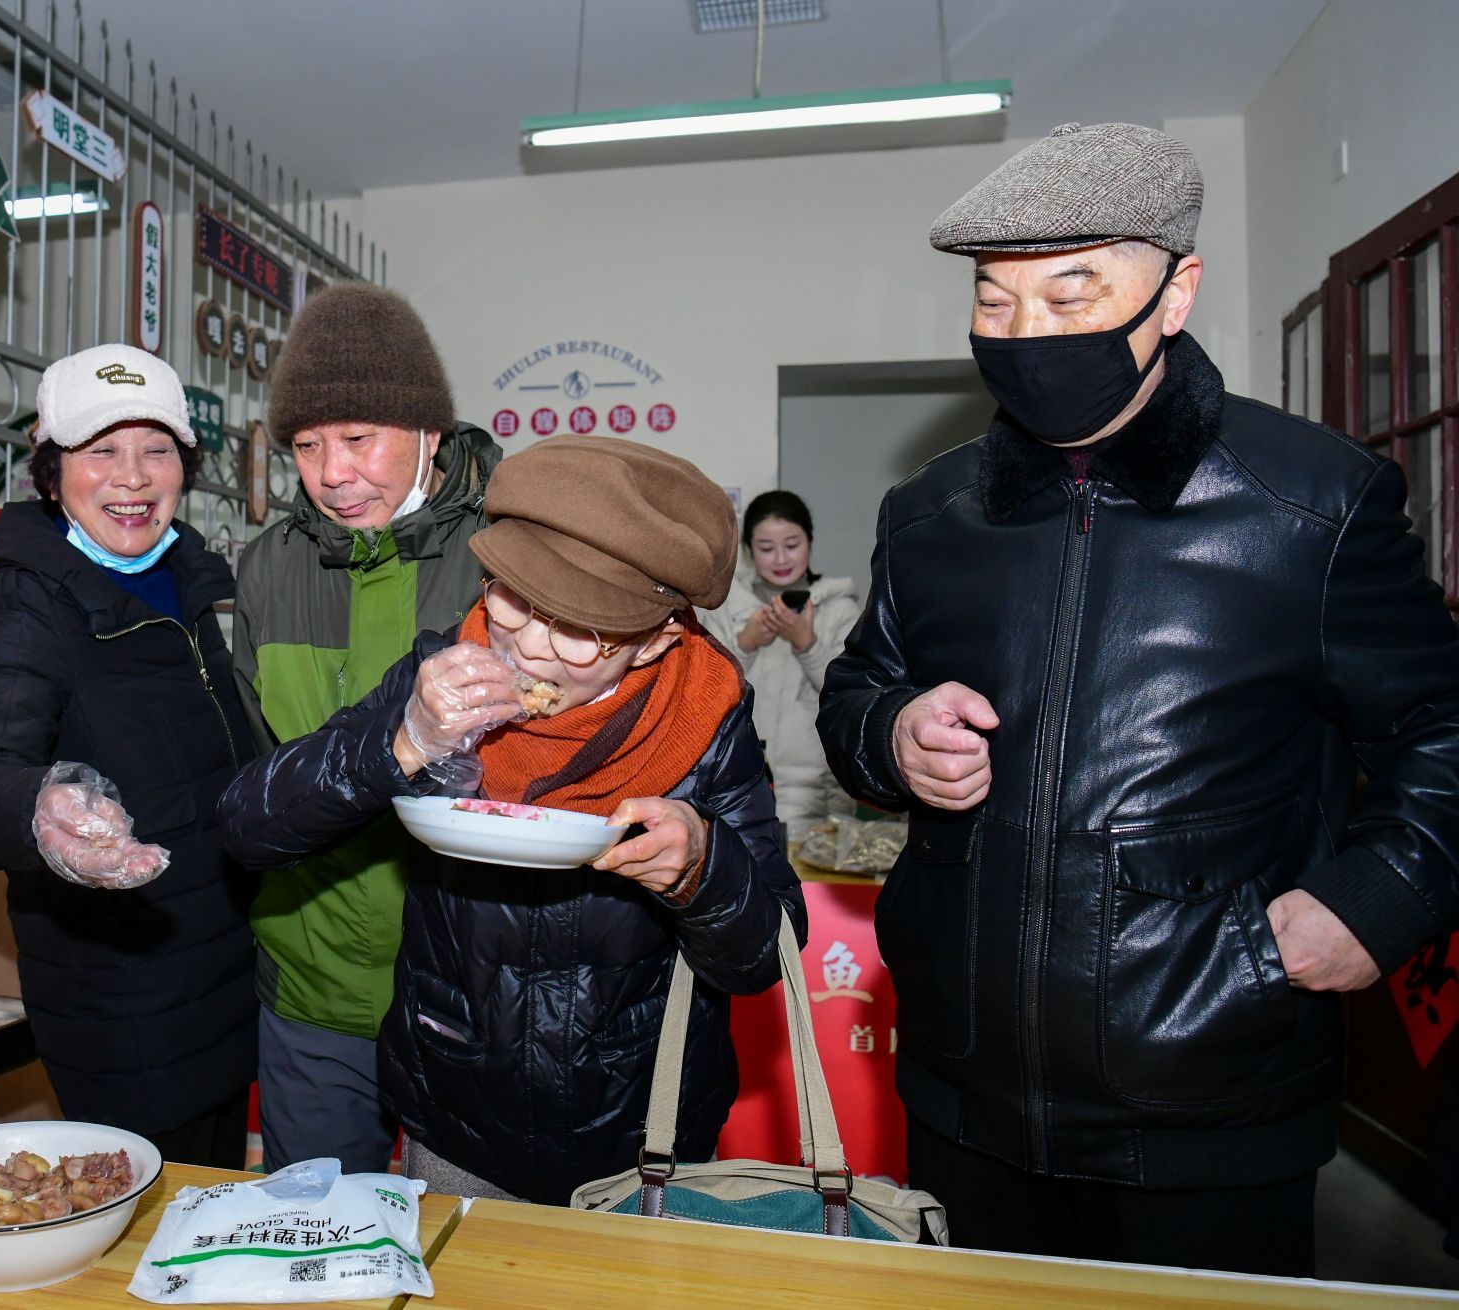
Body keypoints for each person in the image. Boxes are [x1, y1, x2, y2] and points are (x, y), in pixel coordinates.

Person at [819, 121, 1459, 1276]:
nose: (1027, 335)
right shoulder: (930, 514)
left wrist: (1375, 901)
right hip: (964, 1089)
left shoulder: (1312, 504)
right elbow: (861, 687)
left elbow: (1441, 725)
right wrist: (892, 731)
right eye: (995, 302)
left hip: (1213, 1090)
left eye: (1070, 294)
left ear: (1177, 292)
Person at [219, 435, 807, 1204]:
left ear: (656, 640)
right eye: (511, 598)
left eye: (578, 629)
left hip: (642, 1135)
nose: (527, 647)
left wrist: (702, 866)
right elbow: (249, 825)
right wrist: (404, 740)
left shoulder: (705, 719)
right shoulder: (442, 673)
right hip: (456, 1116)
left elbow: (766, 955)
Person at [0, 343, 257, 1167]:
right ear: (52, 473)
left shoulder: (188, 583)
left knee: (218, 1203)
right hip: (123, 997)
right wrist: (40, 809)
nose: (134, 477)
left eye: (157, 450)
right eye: (101, 451)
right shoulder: (25, 603)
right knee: (149, 1212)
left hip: (223, 970)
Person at [231, 284, 501, 1174]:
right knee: (315, 1235)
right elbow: (258, 774)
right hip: (311, 987)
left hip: (473, 994)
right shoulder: (270, 569)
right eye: (307, 446)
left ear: (428, 430)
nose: (332, 474)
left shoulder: (508, 552)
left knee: (472, 1239)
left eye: (358, 438)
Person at [701, 490, 861, 832]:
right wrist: (745, 644)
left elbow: (854, 695)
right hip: (734, 785)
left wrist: (808, 644)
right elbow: (701, 693)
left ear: (809, 542)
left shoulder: (840, 610)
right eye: (766, 548)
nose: (780, 558)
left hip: (816, 790)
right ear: (748, 550)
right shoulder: (724, 608)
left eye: (792, 545)